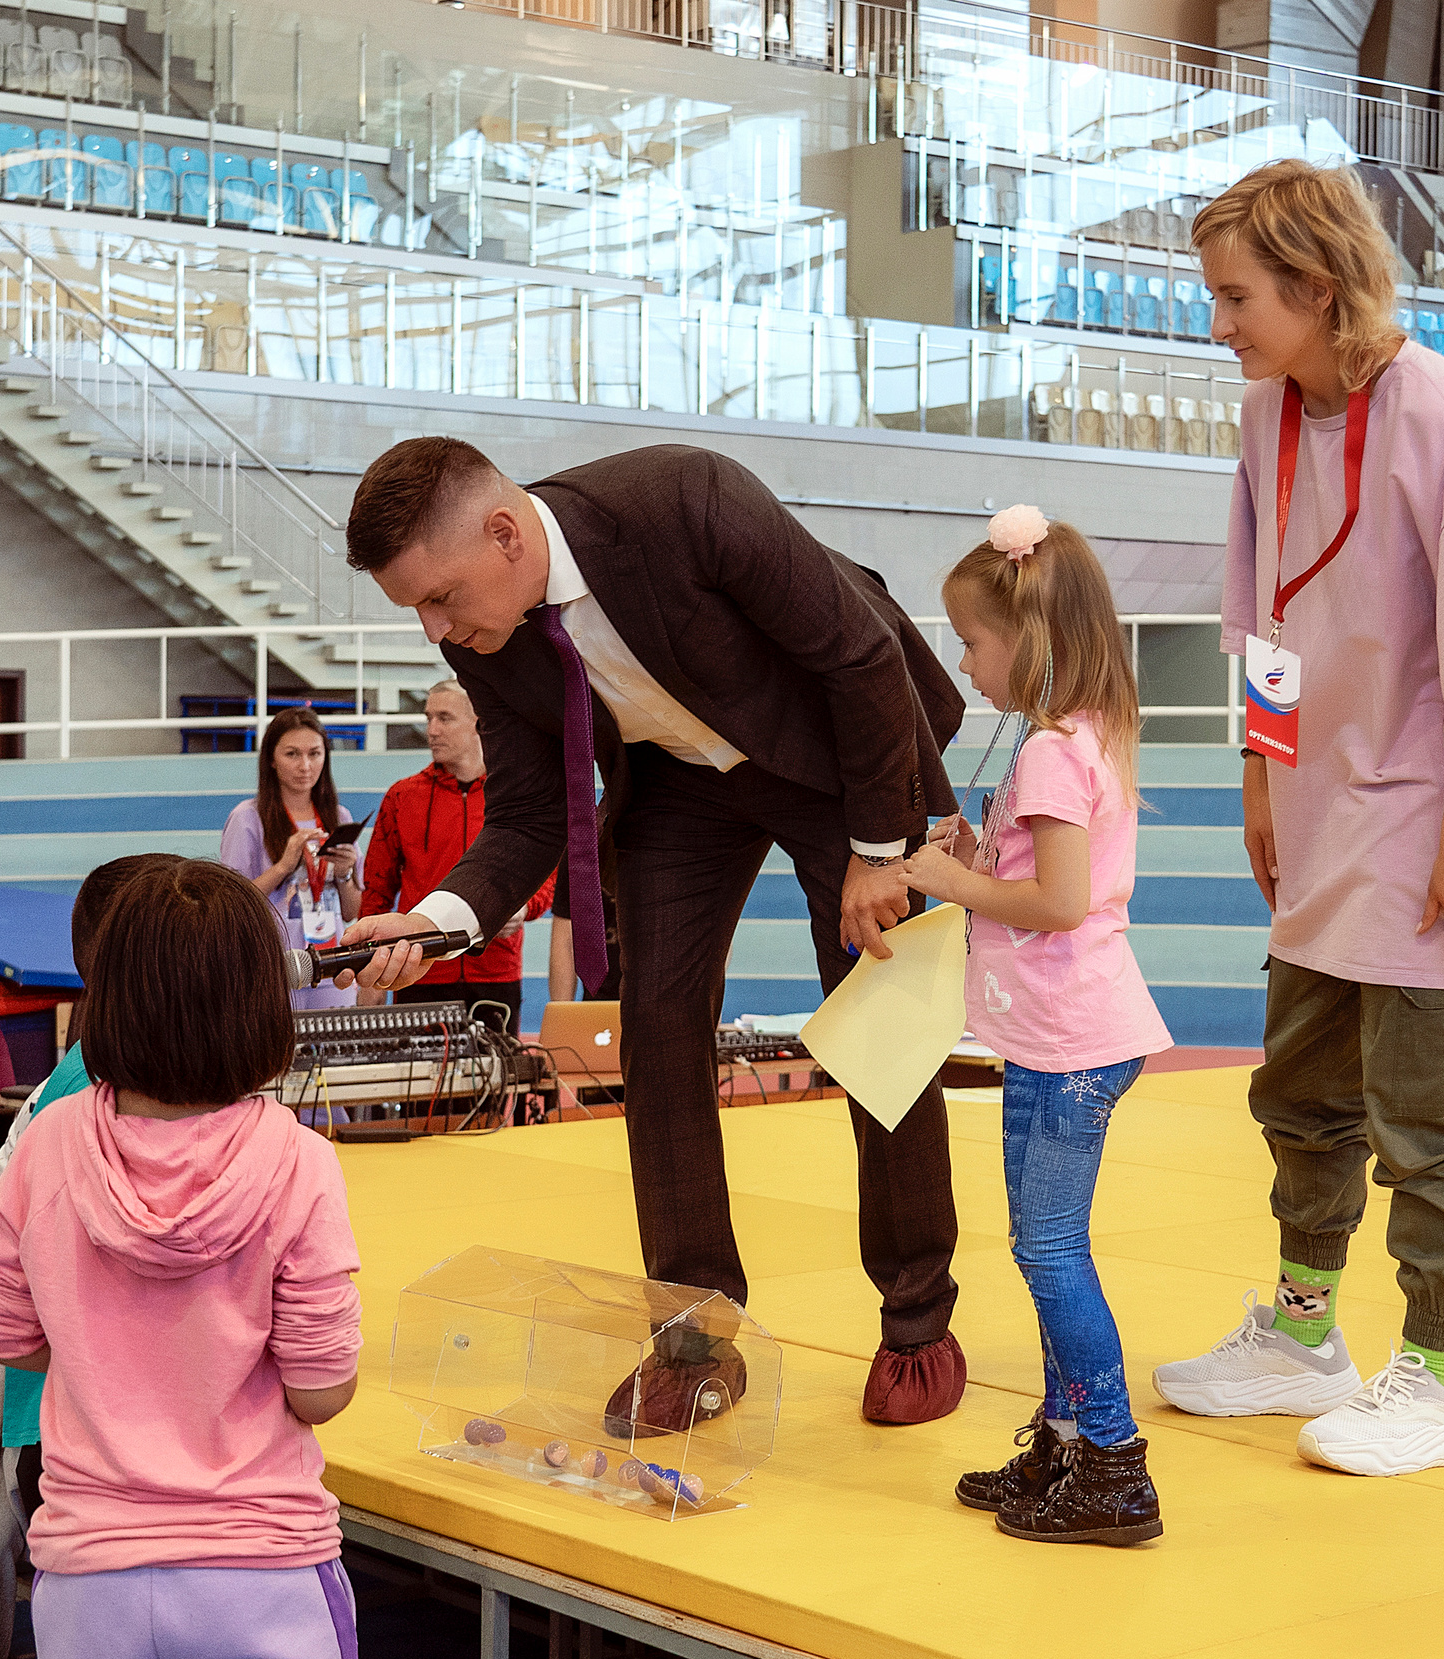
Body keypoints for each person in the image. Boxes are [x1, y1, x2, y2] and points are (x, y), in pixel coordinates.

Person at [338, 437, 972, 1429]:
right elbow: (527, 818)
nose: (433, 627)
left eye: (440, 596)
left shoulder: (682, 498)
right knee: (655, 1028)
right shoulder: (479, 633)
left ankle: (917, 1317)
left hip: (842, 752)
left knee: (879, 1020)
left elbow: (860, 658)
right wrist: (435, 918)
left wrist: (878, 851)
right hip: (679, 785)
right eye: (416, 608)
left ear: (506, 535)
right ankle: (694, 1332)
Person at [1150, 161, 1444, 1476]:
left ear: (1315, 288)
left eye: (1236, 298)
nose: (1218, 324)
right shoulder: (1271, 415)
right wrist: (1258, 770)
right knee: (1301, 1090)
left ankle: (1442, 1377)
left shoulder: (1436, 408)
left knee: (1430, 1111)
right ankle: (1300, 1335)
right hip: (1330, 803)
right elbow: (1271, 612)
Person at [0, 859, 363, 1659]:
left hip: (90, 1574)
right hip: (261, 1562)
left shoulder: (47, 1140)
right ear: (260, 999)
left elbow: (9, 1338)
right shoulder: (299, 1161)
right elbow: (321, 1390)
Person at [894, 508, 1173, 1546]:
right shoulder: (1077, 739)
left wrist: (954, 879)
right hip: (1057, 1035)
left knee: (1050, 1251)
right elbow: (1047, 875)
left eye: (971, 641)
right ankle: (1062, 1443)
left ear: (1032, 641)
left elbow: (1058, 904)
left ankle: (1114, 1463)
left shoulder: (1056, 751)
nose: (963, 663)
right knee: (1041, 1245)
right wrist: (981, 854)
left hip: (1069, 1042)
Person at [0, 852, 179, 1659]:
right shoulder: (88, 1074)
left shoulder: (157, 1052)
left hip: (60, 1305)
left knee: (52, 1513)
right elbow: (39, 1249)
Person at [361, 680, 555, 1033]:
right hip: (419, 968)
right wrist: (369, 973)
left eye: (445, 718)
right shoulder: (402, 797)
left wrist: (526, 907)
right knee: (419, 1085)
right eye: (429, 717)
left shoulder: (514, 796)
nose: (431, 730)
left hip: (496, 971)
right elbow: (376, 889)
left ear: (478, 721)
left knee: (497, 1083)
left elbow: (546, 874)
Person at [220, 707, 366, 1013]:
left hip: (330, 964)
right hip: (273, 968)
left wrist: (343, 873)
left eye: (314, 754)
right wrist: (284, 866)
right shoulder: (248, 817)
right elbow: (230, 907)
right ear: (271, 760)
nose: (305, 765)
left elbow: (352, 911)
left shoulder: (339, 817)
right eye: (292, 754)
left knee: (334, 1054)